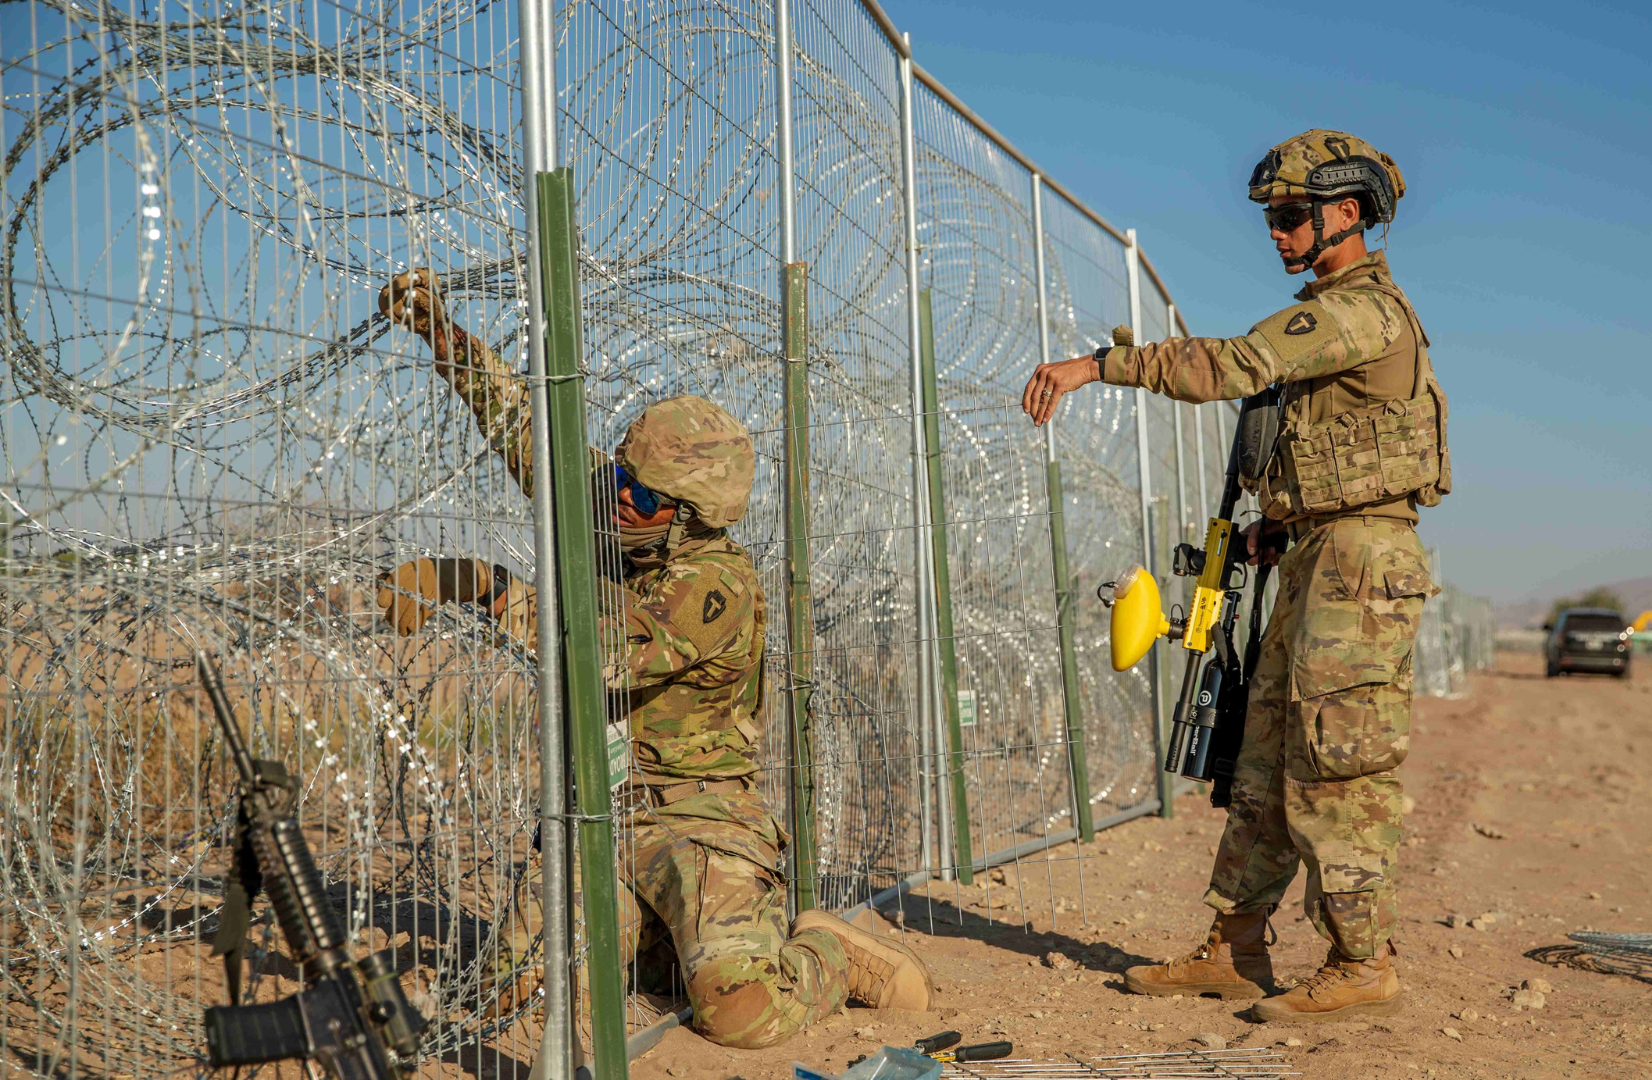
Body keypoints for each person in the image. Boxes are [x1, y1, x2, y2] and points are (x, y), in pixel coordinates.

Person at [371, 268, 933, 1048]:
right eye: (623, 479)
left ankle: (828, 953)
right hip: (601, 812)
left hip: (702, 820)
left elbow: (602, 655)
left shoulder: (716, 586)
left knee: (738, 1013)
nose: (619, 498)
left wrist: (480, 585)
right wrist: (443, 334)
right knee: (510, 986)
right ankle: (662, 945)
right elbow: (523, 431)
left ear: (690, 516)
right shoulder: (624, 510)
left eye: (642, 495)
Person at [1021, 131, 1448, 1023]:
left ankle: (1363, 961)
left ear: (1349, 213)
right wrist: (1275, 528)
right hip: (1315, 553)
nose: (1277, 231)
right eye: (1270, 217)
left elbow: (1234, 364)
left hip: (1358, 565)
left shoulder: (1358, 311)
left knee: (1338, 763)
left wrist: (1099, 367)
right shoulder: (1336, 313)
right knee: (1263, 761)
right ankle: (1236, 945)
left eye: (1292, 215)